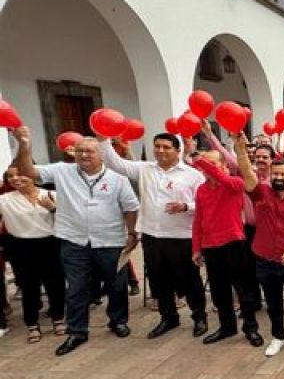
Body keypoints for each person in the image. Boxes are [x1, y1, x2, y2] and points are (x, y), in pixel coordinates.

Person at [12, 127, 139, 356]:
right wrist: (24, 143)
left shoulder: (118, 179)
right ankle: (77, 332)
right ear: (73, 153)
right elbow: (27, 171)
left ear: (100, 154)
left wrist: (132, 234)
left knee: (116, 284)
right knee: (76, 289)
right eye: (80, 151)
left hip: (110, 241)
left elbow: (130, 208)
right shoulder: (62, 171)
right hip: (74, 242)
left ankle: (117, 321)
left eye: (90, 151)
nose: (84, 155)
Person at [97, 133, 208, 339]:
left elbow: (205, 204)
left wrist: (186, 206)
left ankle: (199, 317)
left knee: (189, 280)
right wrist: (102, 138)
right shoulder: (144, 169)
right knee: (159, 280)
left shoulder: (193, 175)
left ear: (178, 150)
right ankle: (168, 318)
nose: (160, 150)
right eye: (157, 146)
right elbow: (114, 162)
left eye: (166, 147)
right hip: (152, 236)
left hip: (181, 237)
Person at [237, 133, 284, 357]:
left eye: (283, 174)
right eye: (275, 173)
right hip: (264, 259)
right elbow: (246, 172)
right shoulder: (261, 193)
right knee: (272, 303)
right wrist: (240, 149)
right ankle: (278, 336)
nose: (279, 177)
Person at [191, 148, 262, 348]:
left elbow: (225, 179)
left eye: (213, 163)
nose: (208, 168)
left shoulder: (234, 184)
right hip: (211, 247)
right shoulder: (202, 190)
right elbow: (198, 220)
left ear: (224, 165)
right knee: (219, 291)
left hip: (234, 244)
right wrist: (196, 248)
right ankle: (227, 326)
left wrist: (200, 160)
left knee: (243, 290)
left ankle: (251, 327)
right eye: (205, 164)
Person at [0, 166, 65, 342]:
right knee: (29, 286)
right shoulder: (5, 199)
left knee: (55, 284)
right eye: (11, 176)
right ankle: (32, 324)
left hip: (50, 244)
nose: (15, 179)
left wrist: (53, 208)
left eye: (20, 174)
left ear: (32, 175)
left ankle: (58, 319)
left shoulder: (51, 194)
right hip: (20, 246)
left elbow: (68, 220)